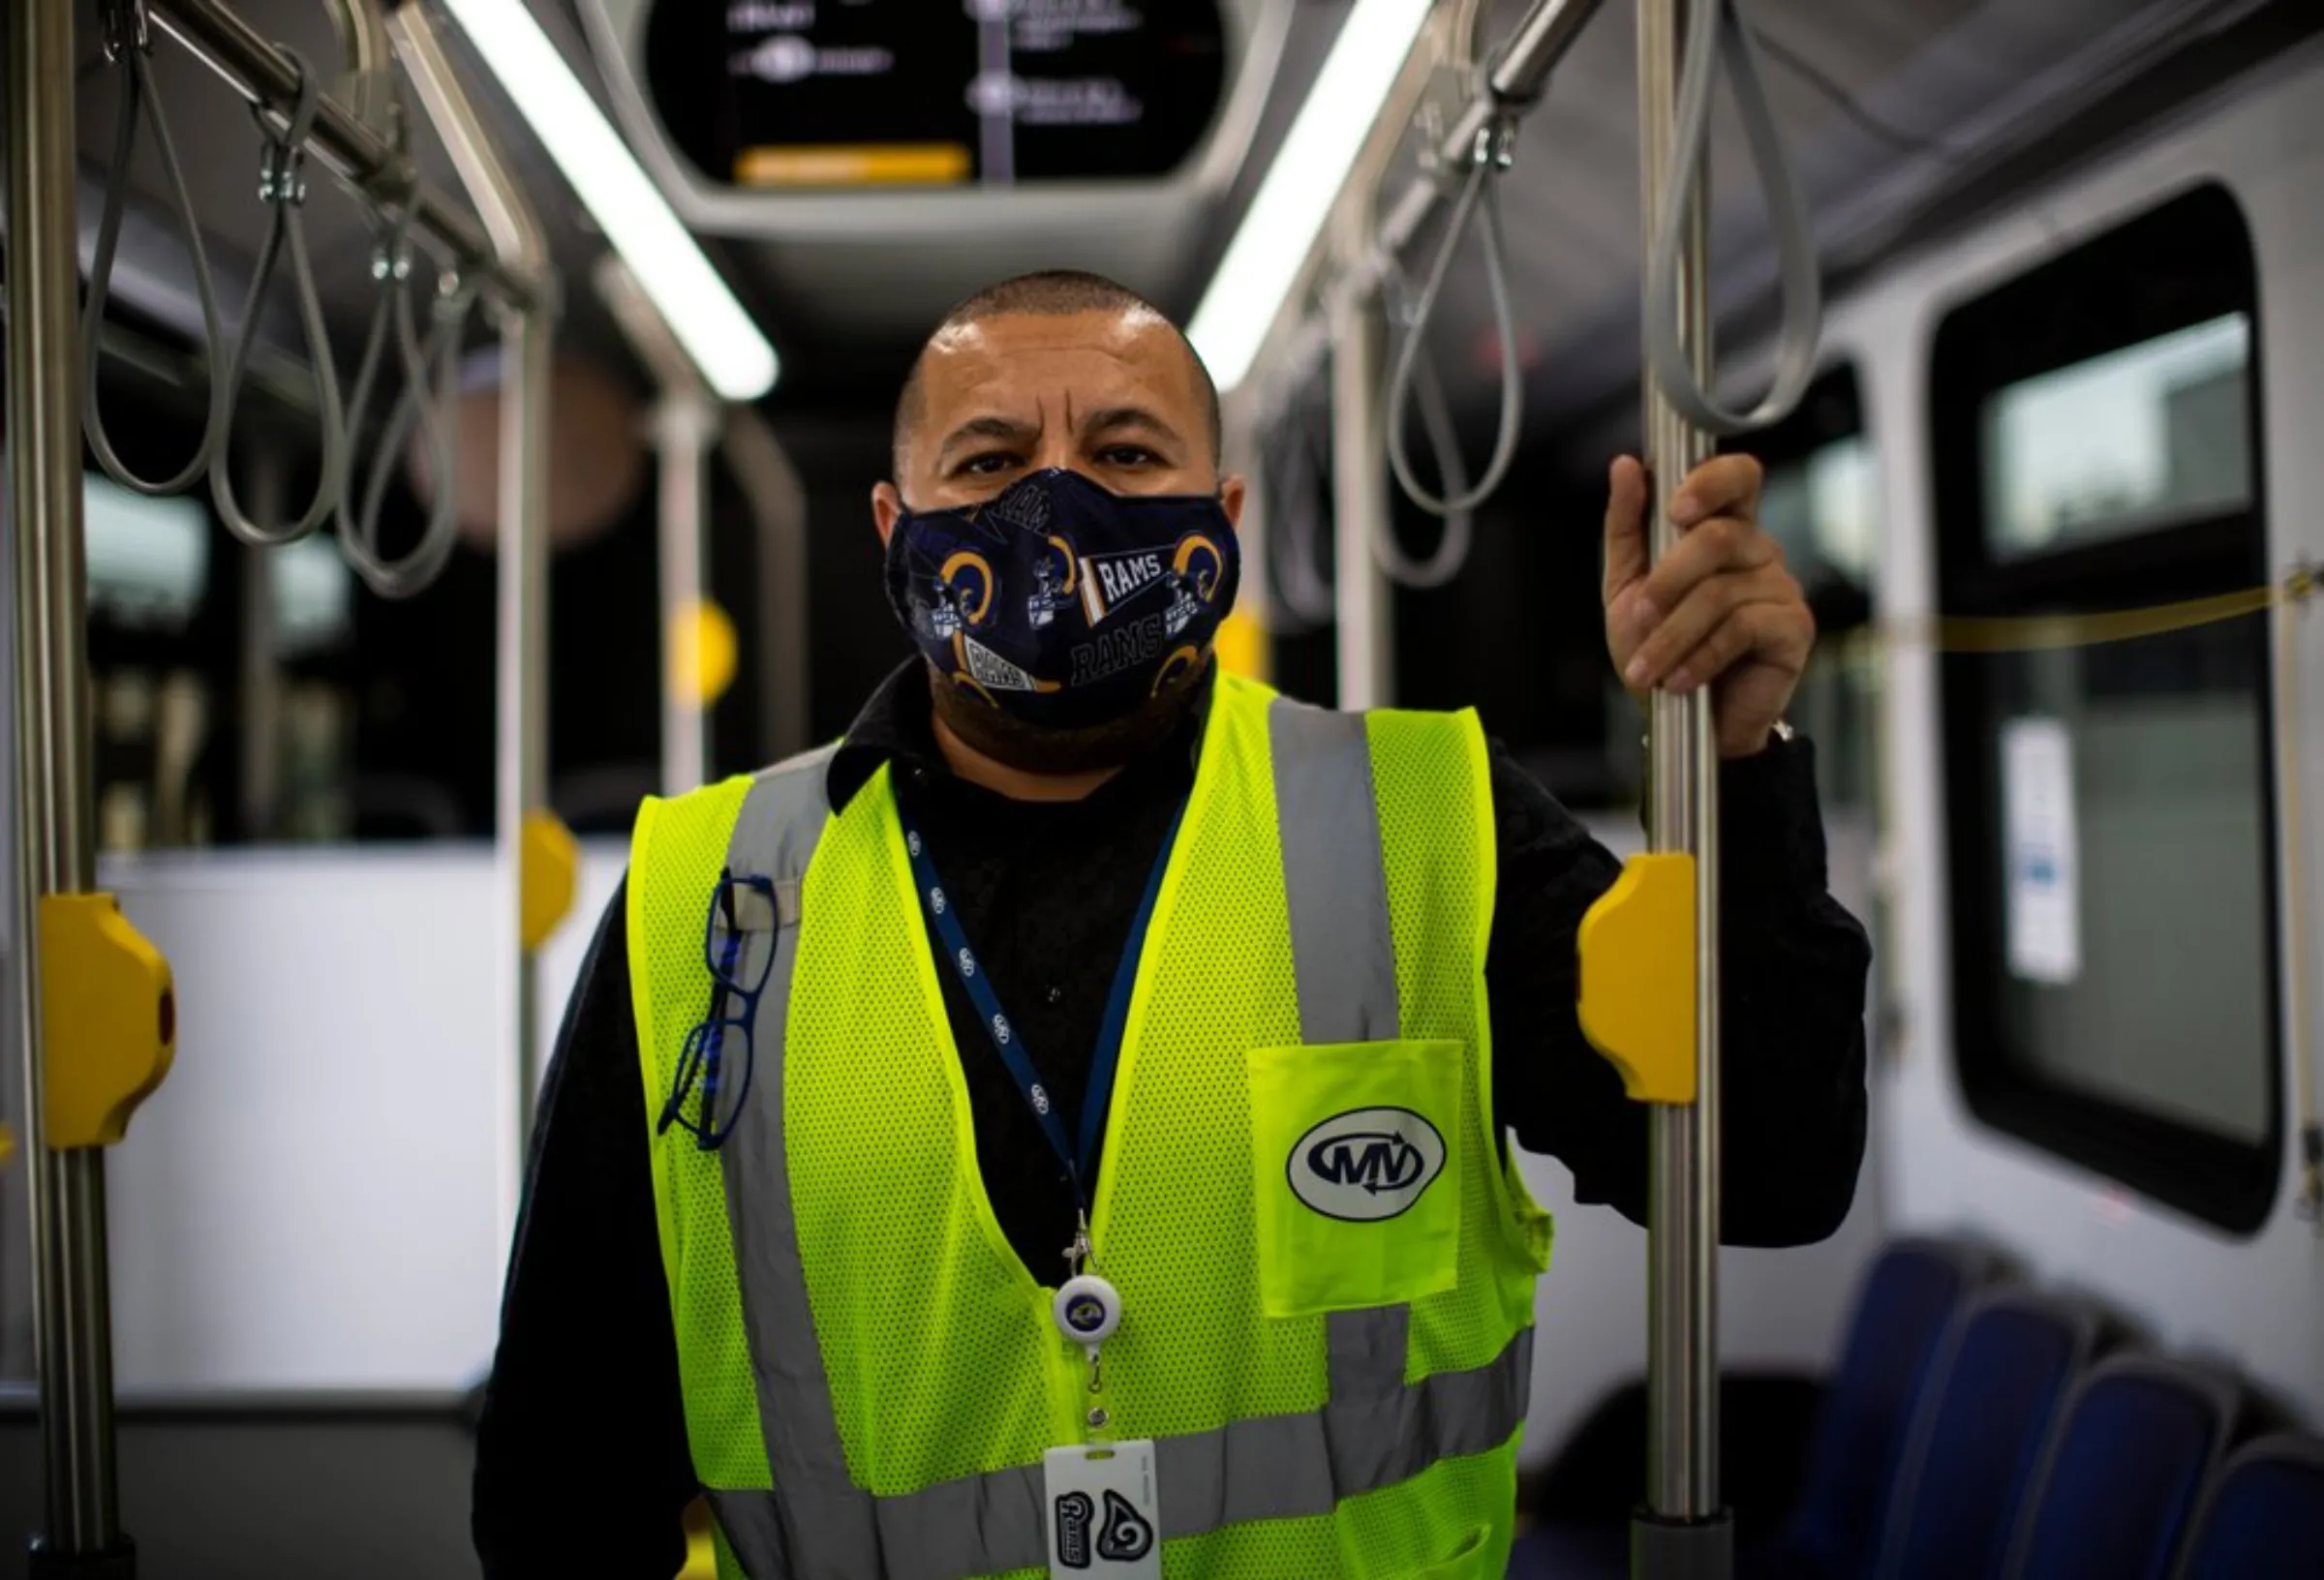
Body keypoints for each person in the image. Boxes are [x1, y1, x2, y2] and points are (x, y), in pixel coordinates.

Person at [472, 271, 1870, 1578]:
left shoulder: (1431, 822)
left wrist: (1739, 767)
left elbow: (1769, 1172)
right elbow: (560, 1475)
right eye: (990, 460)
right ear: (897, 531)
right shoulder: (707, 900)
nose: (1058, 508)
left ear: (1225, 516)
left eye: (1129, 455)